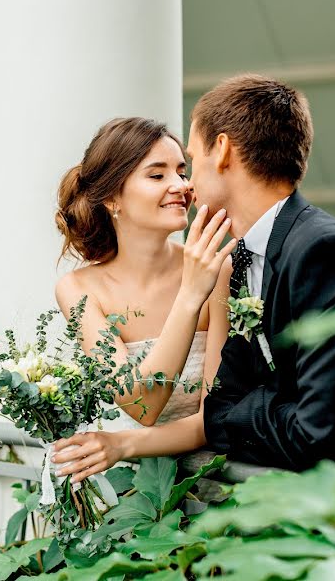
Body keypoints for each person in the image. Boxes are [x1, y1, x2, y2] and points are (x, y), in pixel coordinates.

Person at [56, 73, 335, 487]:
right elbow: (238, 400)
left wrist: (239, 408)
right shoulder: (253, 253)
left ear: (223, 151)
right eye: (159, 175)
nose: (186, 185)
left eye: (188, 164)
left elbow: (298, 424)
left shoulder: (325, 253)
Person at [52, 117, 234, 480]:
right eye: (157, 175)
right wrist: (190, 296)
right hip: (124, 488)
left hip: (209, 485)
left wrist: (122, 444)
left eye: (182, 172)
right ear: (112, 197)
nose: (181, 186)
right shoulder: (78, 289)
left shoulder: (217, 269)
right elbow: (143, 404)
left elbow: (210, 419)